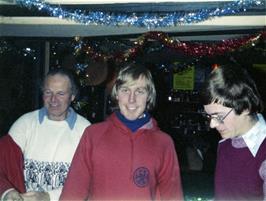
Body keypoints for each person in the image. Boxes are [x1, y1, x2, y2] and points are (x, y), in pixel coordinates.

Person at [60, 63, 183, 201]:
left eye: (140, 91)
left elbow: (173, 196)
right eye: (125, 90)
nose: (132, 99)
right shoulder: (93, 135)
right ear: (116, 93)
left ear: (149, 96)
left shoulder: (163, 143)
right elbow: (73, 191)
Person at [0, 68, 91, 201]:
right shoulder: (24, 124)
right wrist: (6, 191)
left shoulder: (87, 131)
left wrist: (49, 197)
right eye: (48, 92)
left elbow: (90, 181)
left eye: (60, 93)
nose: (53, 99)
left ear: (72, 96)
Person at [200, 64, 266, 201]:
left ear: (245, 107)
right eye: (209, 116)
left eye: (218, 116)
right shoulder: (225, 144)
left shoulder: (263, 152)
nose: (212, 124)